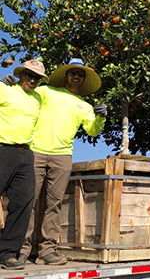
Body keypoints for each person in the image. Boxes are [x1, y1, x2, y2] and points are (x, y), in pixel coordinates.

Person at [3, 58, 107, 266]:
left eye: (80, 74)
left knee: (54, 204)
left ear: (83, 79)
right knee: (25, 202)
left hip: (62, 156)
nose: (76, 77)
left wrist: (101, 118)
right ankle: (20, 250)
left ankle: (47, 251)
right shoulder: (46, 91)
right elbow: (25, 96)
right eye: (73, 73)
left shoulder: (85, 106)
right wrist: (10, 86)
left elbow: (93, 130)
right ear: (66, 76)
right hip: (35, 152)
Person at [0, 60, 48, 270]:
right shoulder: (5, 89)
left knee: (23, 203)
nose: (32, 80)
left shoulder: (38, 97)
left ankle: (8, 253)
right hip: (2, 148)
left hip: (26, 153)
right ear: (20, 75)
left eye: (36, 77)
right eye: (28, 75)